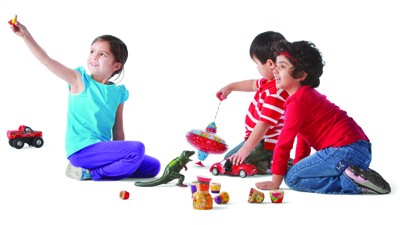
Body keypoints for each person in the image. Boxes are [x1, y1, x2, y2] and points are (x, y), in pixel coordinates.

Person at [10, 21, 161, 181]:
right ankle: (91, 173)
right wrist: (25, 35)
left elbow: (118, 132)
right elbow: (47, 60)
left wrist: (120, 153)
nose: (94, 57)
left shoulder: (118, 93)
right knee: (137, 149)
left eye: (102, 54)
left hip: (102, 152)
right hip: (82, 151)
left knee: (153, 166)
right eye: (92, 51)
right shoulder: (78, 80)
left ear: (116, 66)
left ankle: (104, 168)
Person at [255, 40, 391, 194]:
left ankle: (351, 182)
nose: (275, 70)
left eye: (283, 66)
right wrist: (300, 164)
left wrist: (275, 181)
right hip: (359, 151)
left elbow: (284, 143)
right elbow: (303, 139)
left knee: (292, 178)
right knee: (295, 171)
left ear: (300, 75)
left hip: (343, 150)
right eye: (277, 65)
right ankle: (356, 175)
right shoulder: (307, 96)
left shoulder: (297, 102)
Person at [216, 31, 290, 174]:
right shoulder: (268, 82)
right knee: (231, 159)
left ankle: (270, 160)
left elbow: (264, 125)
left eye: (256, 64)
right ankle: (267, 159)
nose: (256, 68)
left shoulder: (277, 92)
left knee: (229, 162)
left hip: (265, 143)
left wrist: (245, 150)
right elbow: (251, 84)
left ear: (269, 63)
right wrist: (230, 87)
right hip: (257, 139)